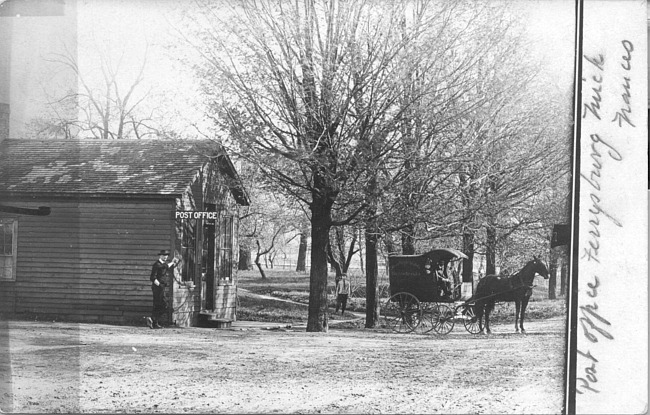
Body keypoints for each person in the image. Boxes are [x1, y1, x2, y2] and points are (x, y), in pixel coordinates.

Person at [147, 249, 179, 329]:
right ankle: (153, 320)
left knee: (158, 305)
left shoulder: (163, 264)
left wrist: (173, 262)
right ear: (160, 256)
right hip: (157, 288)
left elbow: (166, 266)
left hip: (161, 287)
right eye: (164, 255)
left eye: (166, 255)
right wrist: (159, 285)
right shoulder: (156, 265)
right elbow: (152, 278)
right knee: (163, 304)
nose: (165, 257)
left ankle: (154, 322)